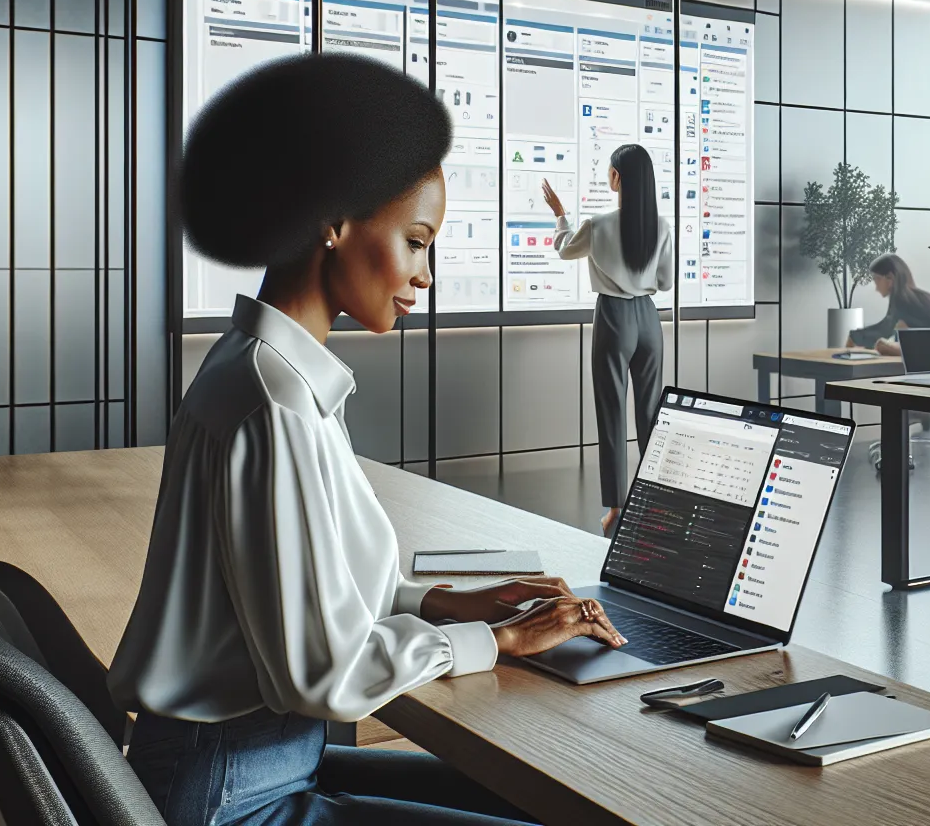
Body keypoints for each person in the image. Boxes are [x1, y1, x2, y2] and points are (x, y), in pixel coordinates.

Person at [111, 53, 627, 826]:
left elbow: (300, 595)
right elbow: (322, 674)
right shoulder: (274, 404)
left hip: (246, 762)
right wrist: (497, 642)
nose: (426, 274)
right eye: (416, 241)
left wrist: (448, 603)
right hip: (229, 795)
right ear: (333, 221)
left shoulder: (264, 371)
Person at [542, 144, 674, 537]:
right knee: (650, 413)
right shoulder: (661, 226)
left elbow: (565, 249)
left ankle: (616, 509)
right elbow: (665, 281)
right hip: (649, 319)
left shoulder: (598, 225)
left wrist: (560, 215)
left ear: (617, 177)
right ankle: (655, 503)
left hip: (614, 318)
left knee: (612, 411)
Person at [849, 253, 930, 355]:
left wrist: (854, 337)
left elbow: (885, 329)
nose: (876, 287)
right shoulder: (915, 297)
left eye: (877, 279)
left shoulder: (902, 300)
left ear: (890, 278)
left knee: (882, 344)